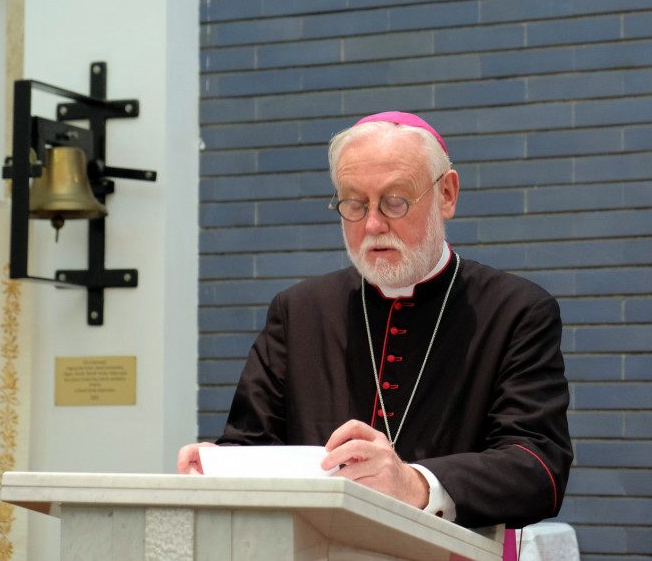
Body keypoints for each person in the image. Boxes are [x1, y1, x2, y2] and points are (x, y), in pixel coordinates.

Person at [178, 111, 573, 530]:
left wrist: (416, 484)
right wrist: (221, 465)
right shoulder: (298, 312)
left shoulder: (516, 311)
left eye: (395, 201)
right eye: (354, 203)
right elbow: (251, 443)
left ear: (446, 194)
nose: (372, 224)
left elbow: (539, 468)